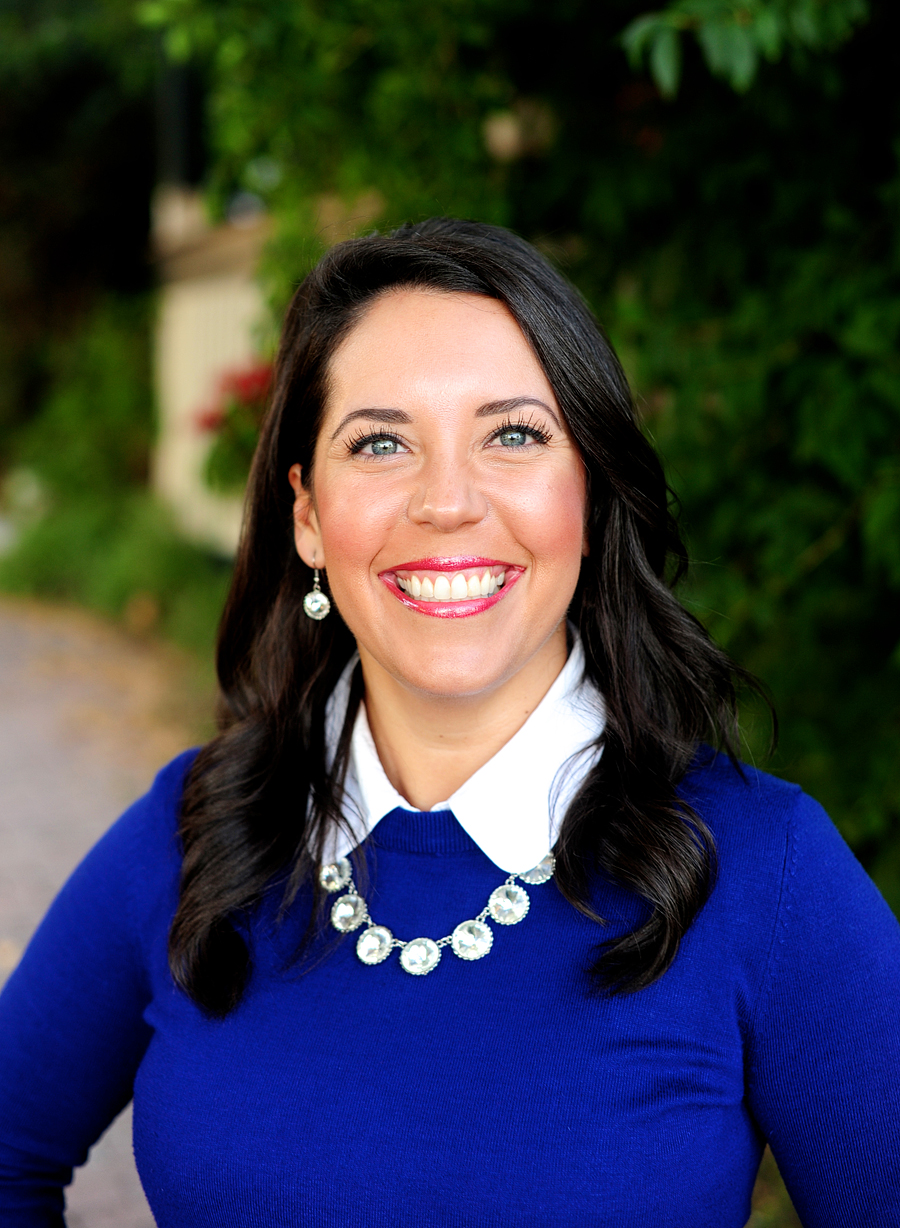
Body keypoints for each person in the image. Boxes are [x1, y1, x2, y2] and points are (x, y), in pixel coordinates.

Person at [0, 218, 898, 1228]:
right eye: (381, 442)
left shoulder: (767, 875)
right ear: (307, 513)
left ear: (592, 493)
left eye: (513, 434)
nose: (447, 502)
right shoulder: (191, 836)